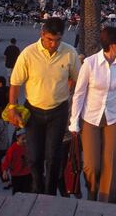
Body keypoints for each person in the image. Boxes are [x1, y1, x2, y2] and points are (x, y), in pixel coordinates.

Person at [8, 18, 80, 195]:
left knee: (54, 157)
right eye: (49, 39)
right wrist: (12, 108)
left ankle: (50, 194)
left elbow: (77, 78)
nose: (53, 44)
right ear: (42, 34)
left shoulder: (70, 53)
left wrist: (68, 89)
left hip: (58, 111)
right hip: (33, 111)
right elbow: (16, 83)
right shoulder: (28, 53)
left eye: (57, 40)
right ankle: (38, 189)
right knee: (34, 157)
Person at [68, 26, 116, 202]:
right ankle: (92, 191)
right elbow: (79, 93)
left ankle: (105, 201)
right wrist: (74, 122)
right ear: (112, 45)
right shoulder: (90, 63)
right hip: (90, 117)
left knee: (111, 163)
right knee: (91, 164)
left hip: (114, 117)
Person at [1, 129, 32, 194]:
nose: (25, 141)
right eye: (23, 139)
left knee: (27, 192)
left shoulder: (28, 146)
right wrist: (5, 171)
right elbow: (7, 160)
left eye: (26, 139)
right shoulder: (12, 149)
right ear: (17, 138)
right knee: (17, 192)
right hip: (16, 175)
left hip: (27, 174)